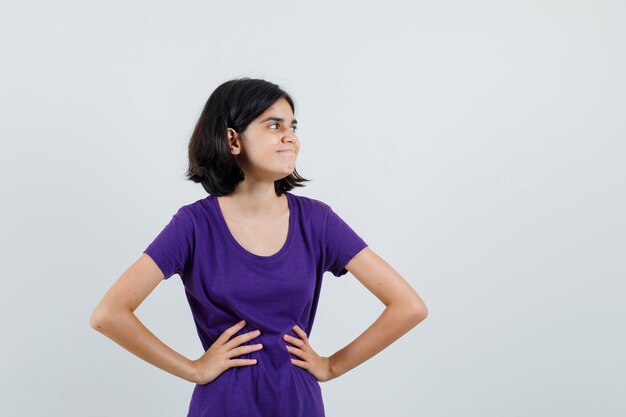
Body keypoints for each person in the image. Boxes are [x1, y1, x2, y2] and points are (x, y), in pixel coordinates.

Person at [89, 77, 428, 417]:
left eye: (292, 126)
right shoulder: (193, 225)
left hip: (298, 403)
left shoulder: (317, 221)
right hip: (223, 404)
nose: (290, 136)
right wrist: (193, 369)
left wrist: (331, 366)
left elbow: (408, 306)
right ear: (232, 139)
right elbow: (109, 314)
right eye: (273, 125)